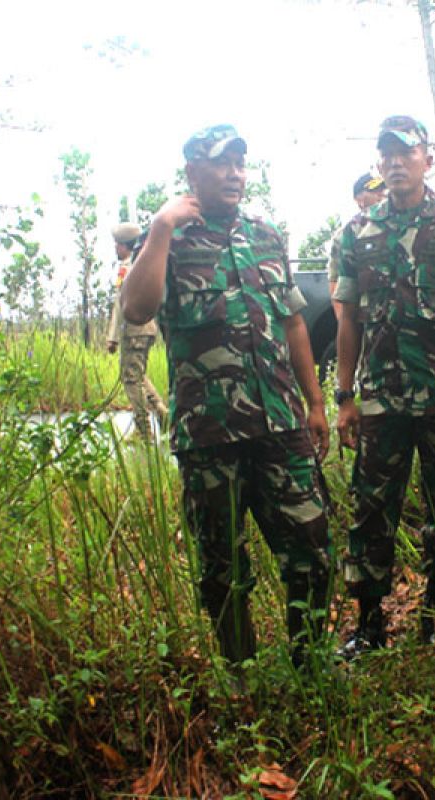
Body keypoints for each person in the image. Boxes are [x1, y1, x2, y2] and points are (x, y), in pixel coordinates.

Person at [120, 124, 333, 668]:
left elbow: (292, 323)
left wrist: (314, 403)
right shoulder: (168, 239)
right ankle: (241, 671)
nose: (236, 174)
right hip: (209, 433)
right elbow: (137, 310)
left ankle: (309, 663)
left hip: (281, 422)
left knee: (311, 546)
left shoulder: (264, 234)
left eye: (241, 163)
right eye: (222, 164)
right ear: (192, 171)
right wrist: (161, 227)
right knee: (221, 564)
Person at [334, 115, 435, 656]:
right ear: (379, 164)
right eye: (387, 154)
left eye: (407, 151)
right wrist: (345, 395)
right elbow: (347, 318)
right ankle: (371, 623)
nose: (396, 161)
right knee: (371, 509)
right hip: (380, 400)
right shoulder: (355, 234)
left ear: (427, 159)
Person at [106, 222, 168, 441]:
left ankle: (144, 430)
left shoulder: (128, 267)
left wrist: (112, 338)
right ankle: (161, 413)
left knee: (131, 379)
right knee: (138, 375)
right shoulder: (145, 263)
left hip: (134, 330)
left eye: (117, 244)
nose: (115, 248)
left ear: (125, 246)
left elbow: (121, 305)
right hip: (147, 329)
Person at [327, 173, 386, 319]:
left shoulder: (399, 228)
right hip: (366, 319)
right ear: (359, 200)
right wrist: (343, 321)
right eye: (374, 190)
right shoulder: (346, 235)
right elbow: (335, 281)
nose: (381, 194)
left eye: (383, 189)